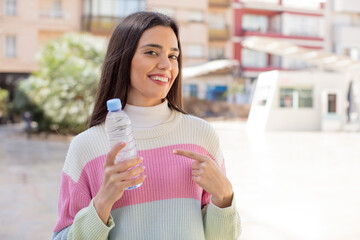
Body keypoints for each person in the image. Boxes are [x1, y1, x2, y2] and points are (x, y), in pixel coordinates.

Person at [52, 11, 241, 240]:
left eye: (173, 56)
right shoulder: (86, 146)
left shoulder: (201, 136)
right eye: (151, 52)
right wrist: (102, 203)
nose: (165, 65)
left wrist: (224, 196)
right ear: (124, 58)